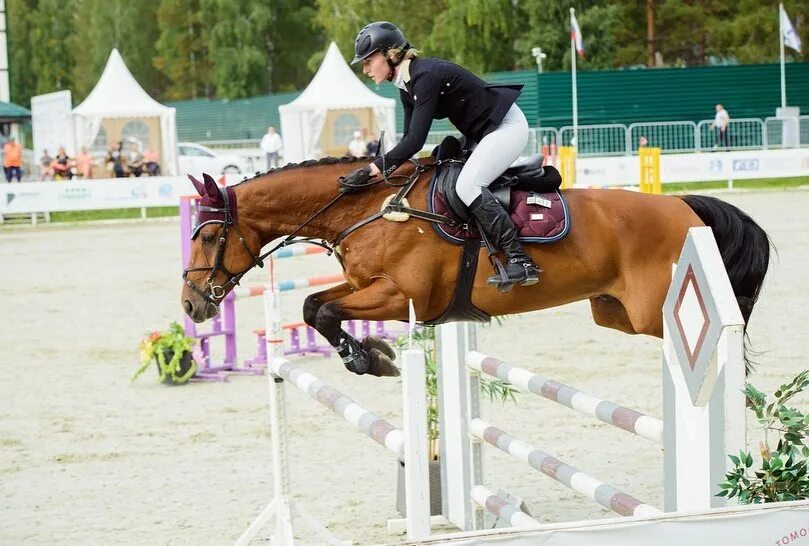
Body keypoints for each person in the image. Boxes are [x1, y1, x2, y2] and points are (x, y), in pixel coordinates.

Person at [343, 21, 539, 291]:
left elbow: (415, 141)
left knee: (468, 185)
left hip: (507, 127)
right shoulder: (406, 86)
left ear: (390, 54)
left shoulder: (426, 77)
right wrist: (382, 169)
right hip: (482, 133)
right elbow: (408, 140)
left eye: (368, 61)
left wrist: (373, 169)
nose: (365, 69)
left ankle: (520, 259)